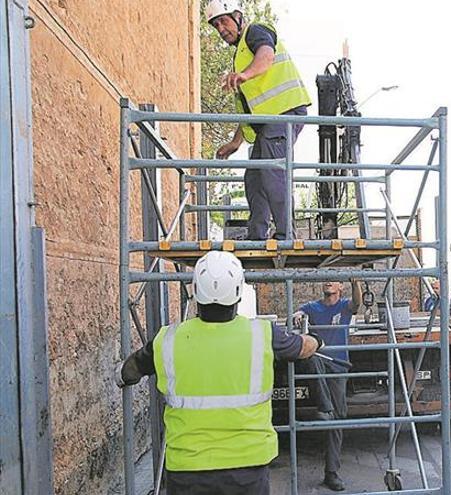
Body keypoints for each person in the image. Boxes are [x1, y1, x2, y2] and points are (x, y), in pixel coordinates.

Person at [116, 251, 324, 495]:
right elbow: (303, 347)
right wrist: (318, 341)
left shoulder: (167, 340)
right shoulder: (263, 334)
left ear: (194, 290)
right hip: (247, 468)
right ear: (238, 291)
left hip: (187, 470)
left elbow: (130, 370)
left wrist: (120, 377)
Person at [206, 0, 312, 240]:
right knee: (254, 176)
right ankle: (257, 235)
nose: (221, 29)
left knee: (272, 171)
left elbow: (267, 55)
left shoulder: (256, 32)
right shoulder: (241, 54)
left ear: (237, 16)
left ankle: (286, 234)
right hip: (268, 121)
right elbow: (249, 108)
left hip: (285, 113)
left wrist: (245, 74)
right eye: (216, 26)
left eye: (223, 21)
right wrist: (235, 142)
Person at [291, 280, 363, 491]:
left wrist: (356, 283)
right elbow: (298, 312)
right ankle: (324, 406)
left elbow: (357, 304)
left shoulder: (344, 307)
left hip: (338, 368)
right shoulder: (313, 307)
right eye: (326, 279)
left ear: (341, 287)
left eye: (334, 280)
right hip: (319, 364)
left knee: (337, 421)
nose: (328, 282)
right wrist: (296, 315)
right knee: (312, 358)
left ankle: (331, 473)